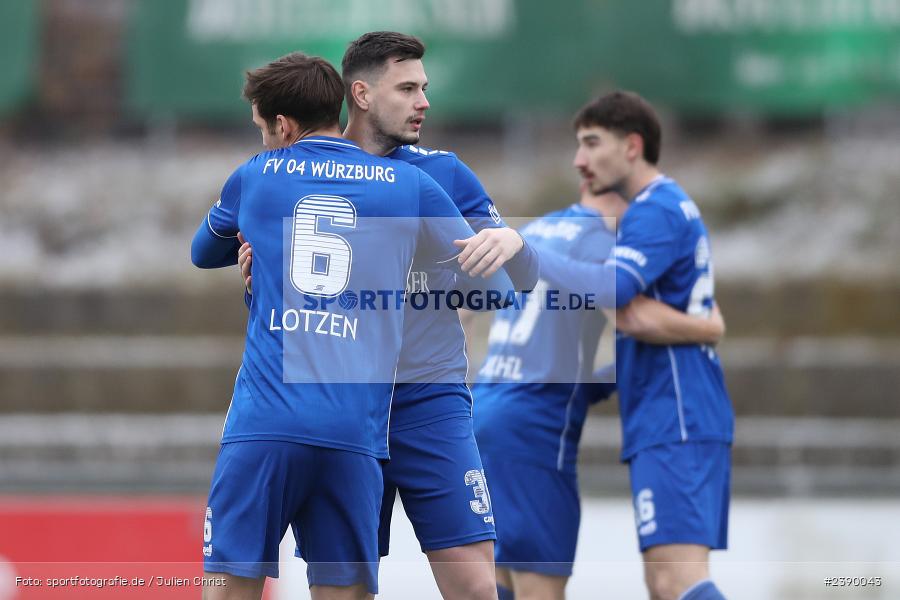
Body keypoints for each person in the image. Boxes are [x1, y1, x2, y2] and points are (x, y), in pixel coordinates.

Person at [190, 51, 514, 600]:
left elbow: (204, 251)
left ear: (283, 125)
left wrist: (268, 260)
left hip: (269, 425)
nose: (422, 101)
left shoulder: (258, 176)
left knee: (225, 590)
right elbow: (495, 289)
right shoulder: (406, 184)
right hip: (353, 434)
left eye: (261, 128)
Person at [472, 185, 726, 600]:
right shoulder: (603, 242)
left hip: (486, 406)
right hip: (535, 428)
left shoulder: (539, 229)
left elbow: (466, 307)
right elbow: (632, 318)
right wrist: (708, 328)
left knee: (499, 581)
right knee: (540, 587)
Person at [536, 91, 734, 600]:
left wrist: (528, 251)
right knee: (662, 583)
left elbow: (616, 294)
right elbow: (629, 311)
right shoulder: (655, 209)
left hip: (679, 413)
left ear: (632, 146)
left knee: (677, 580)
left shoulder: (656, 209)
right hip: (665, 412)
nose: (580, 159)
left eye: (592, 143)